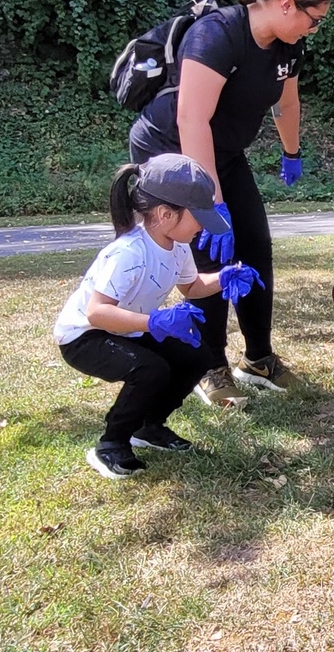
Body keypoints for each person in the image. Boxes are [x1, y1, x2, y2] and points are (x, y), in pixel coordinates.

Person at [129, 0, 333, 409]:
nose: (313, 30)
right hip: (170, 147)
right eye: (313, 20)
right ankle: (209, 365)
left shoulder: (288, 47)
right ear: (285, 4)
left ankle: (259, 360)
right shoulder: (217, 35)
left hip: (223, 153)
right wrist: (210, 202)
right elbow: (191, 118)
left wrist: (291, 151)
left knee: (255, 245)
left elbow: (287, 102)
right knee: (207, 252)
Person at [54, 154, 264, 479]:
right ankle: (110, 445)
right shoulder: (128, 254)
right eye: (199, 218)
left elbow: (192, 286)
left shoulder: (178, 245)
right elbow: (97, 313)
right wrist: (153, 322)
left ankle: (148, 427)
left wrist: (224, 277)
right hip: (85, 336)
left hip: (127, 327)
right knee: (150, 369)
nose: (202, 228)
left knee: (196, 356)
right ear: (166, 215)